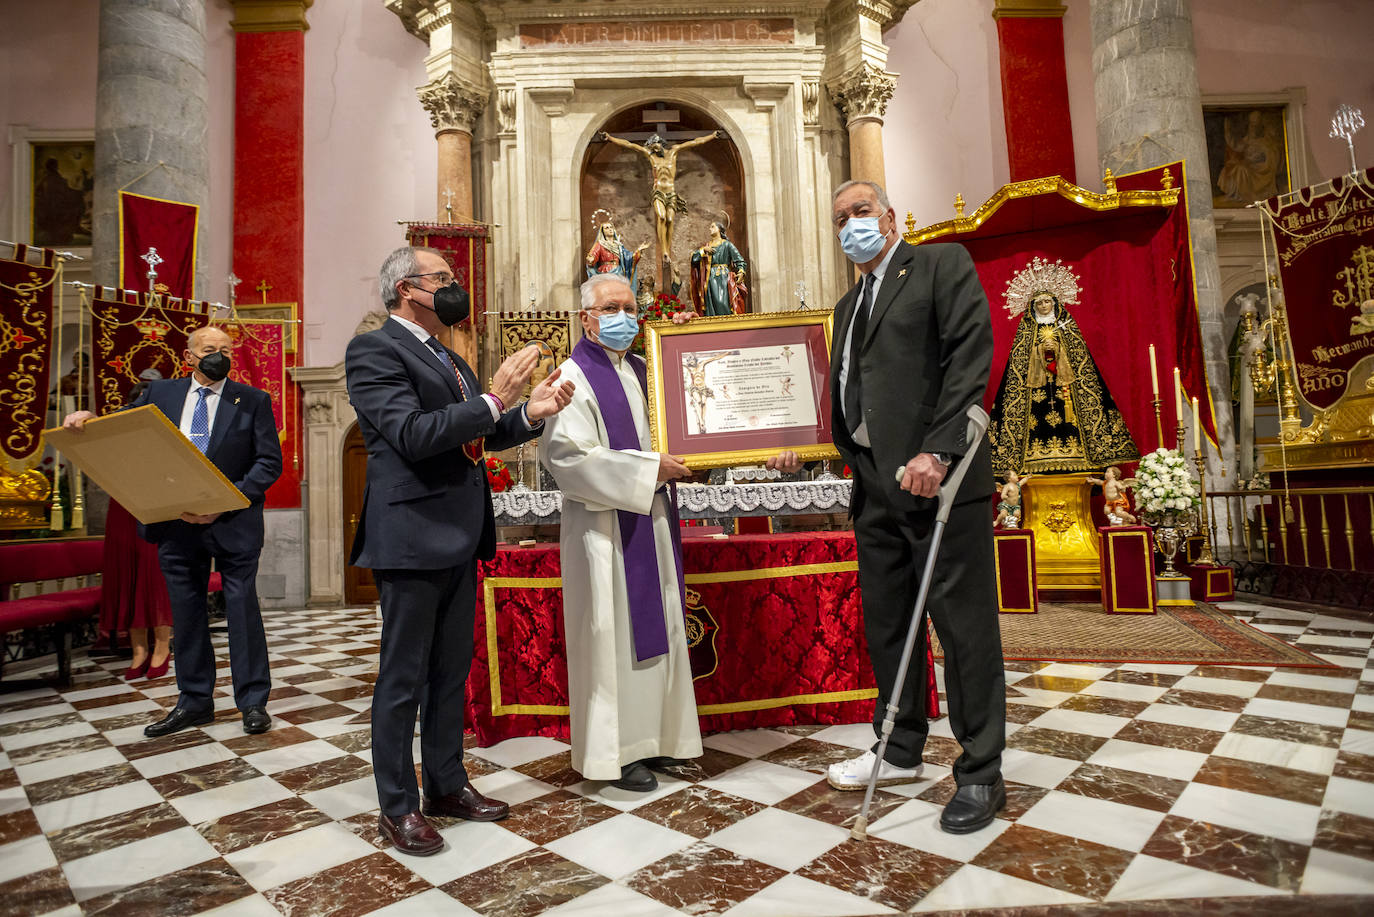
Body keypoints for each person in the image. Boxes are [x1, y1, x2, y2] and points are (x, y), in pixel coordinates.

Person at [345, 246, 573, 856]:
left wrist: (529, 411)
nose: (454, 288)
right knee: (402, 678)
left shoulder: (448, 356)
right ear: (405, 289)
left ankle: (446, 783)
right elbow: (413, 435)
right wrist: (496, 396)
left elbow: (484, 430)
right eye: (442, 279)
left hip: (460, 534)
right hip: (412, 536)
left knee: (449, 675)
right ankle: (397, 806)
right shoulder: (374, 351)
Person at [815, 179, 1007, 834]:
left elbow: (968, 357)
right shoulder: (846, 305)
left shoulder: (939, 264)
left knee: (963, 628)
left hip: (937, 482)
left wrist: (940, 451)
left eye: (860, 212)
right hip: (872, 483)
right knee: (890, 625)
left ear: (890, 217)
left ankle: (981, 769)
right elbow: (854, 388)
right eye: (840, 218)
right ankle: (899, 748)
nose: (850, 226)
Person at [63, 326, 283, 738]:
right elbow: (124, 432)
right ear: (189, 355)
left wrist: (223, 500)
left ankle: (252, 702)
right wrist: (89, 420)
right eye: (209, 349)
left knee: (241, 612)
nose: (218, 355)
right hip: (174, 521)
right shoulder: (160, 394)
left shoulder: (252, 400)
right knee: (187, 613)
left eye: (225, 349)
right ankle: (194, 701)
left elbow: (268, 463)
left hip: (232, 522)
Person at [540, 272, 701, 792]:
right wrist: (649, 469)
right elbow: (565, 458)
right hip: (604, 533)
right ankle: (617, 753)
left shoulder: (643, 369)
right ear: (586, 317)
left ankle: (659, 741)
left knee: (661, 631)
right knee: (611, 637)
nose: (623, 317)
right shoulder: (573, 375)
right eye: (611, 308)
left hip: (650, 521)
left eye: (630, 307)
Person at [987, 268, 1138, 478]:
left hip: (1067, 389)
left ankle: (1079, 455)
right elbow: (1018, 365)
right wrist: (1040, 350)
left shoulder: (1067, 326)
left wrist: (1058, 350)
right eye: (1039, 303)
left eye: (1047, 302)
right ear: (1032, 306)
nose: (1043, 306)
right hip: (1035, 391)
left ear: (1055, 303)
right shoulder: (1027, 330)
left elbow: (1079, 360)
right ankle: (1030, 457)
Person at [100, 374, 174, 680]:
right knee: (127, 577)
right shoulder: (118, 436)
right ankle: (138, 649)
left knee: (152, 577)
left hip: (157, 507)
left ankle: (161, 647)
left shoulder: (170, 435)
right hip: (122, 509)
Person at [689, 221, 748, 316]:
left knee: (722, 302)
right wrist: (703, 250)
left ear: (719, 229)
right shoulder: (707, 246)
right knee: (710, 305)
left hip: (723, 277)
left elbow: (739, 260)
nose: (710, 229)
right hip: (709, 278)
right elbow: (694, 259)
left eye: (712, 226)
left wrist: (741, 271)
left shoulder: (727, 245)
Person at [585, 217, 648, 294]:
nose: (610, 229)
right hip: (606, 273)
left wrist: (639, 251)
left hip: (619, 272)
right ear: (603, 232)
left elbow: (628, 259)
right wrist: (591, 259)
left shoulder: (619, 246)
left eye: (611, 227)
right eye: (607, 228)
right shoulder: (600, 244)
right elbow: (593, 256)